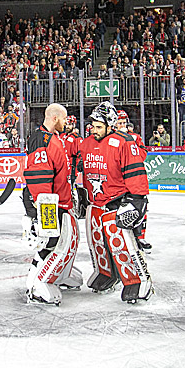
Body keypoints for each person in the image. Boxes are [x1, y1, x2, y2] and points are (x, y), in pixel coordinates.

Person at [76, 101, 152, 303]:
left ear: (110, 125)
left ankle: (136, 280)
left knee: (121, 245)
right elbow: (80, 167)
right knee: (97, 242)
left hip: (117, 201)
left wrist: (138, 199)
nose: (94, 130)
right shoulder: (87, 142)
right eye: (92, 125)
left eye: (99, 126)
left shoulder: (125, 142)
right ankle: (106, 273)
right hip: (96, 202)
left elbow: (136, 173)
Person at [22, 103, 83, 305]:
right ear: (55, 118)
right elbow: (39, 179)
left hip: (60, 203)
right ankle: (35, 285)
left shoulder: (54, 139)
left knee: (60, 243)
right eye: (64, 119)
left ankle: (57, 276)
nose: (66, 123)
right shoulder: (41, 139)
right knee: (49, 243)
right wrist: (43, 213)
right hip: (49, 204)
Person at [116, 109, 151, 250]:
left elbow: (142, 155)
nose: (122, 125)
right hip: (119, 181)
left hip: (134, 179)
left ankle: (140, 238)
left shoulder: (135, 138)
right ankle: (123, 238)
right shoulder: (112, 138)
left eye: (124, 122)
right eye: (119, 123)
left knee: (140, 209)